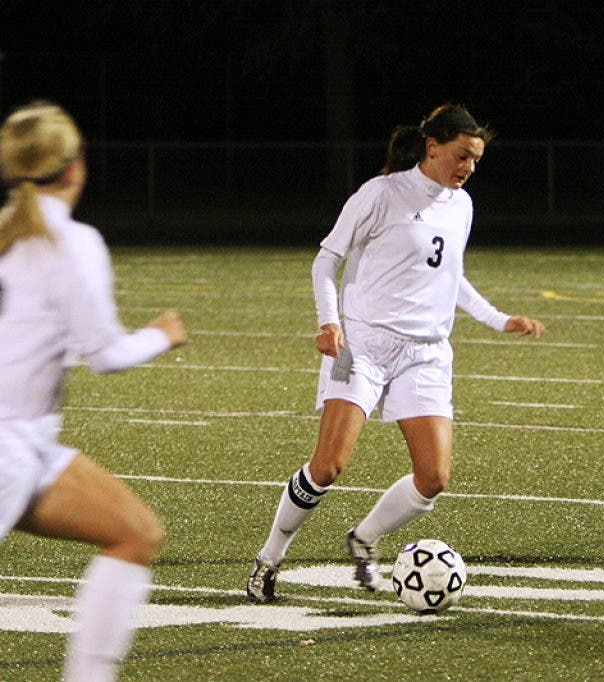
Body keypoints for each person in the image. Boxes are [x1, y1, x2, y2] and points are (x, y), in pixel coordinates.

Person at [247, 103, 546, 602]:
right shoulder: (380, 194)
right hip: (360, 345)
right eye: (462, 155)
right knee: (328, 468)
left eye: (476, 159)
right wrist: (329, 321)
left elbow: (450, 277)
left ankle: (364, 538)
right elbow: (327, 261)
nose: (468, 167)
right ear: (433, 147)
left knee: (434, 477)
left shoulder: (462, 205)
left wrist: (499, 319)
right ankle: (269, 558)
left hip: (426, 353)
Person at [0, 101, 188, 680]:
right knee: (136, 534)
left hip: (26, 450)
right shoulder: (70, 242)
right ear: (74, 168)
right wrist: (160, 335)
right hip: (9, 449)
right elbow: (105, 354)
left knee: (135, 532)